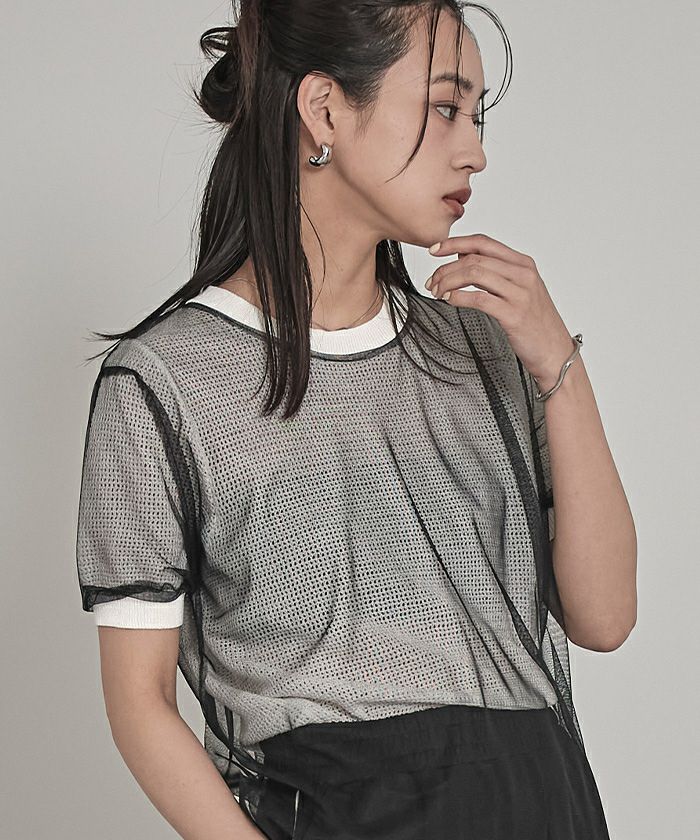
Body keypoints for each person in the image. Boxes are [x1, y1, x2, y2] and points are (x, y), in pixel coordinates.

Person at [76, 2, 637, 838]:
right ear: (325, 109)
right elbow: (141, 704)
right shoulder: (166, 382)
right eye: (444, 107)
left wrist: (561, 363)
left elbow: (604, 616)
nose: (475, 150)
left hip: (547, 809)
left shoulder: (487, 348)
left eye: (476, 115)